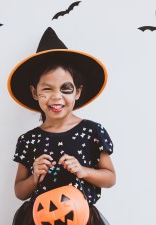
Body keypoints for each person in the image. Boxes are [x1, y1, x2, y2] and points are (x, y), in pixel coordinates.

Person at [8, 27, 116, 208]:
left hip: (82, 217)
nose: (56, 97)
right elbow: (19, 192)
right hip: (41, 216)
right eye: (47, 89)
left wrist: (83, 171)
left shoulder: (92, 131)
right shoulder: (28, 140)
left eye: (65, 89)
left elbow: (110, 178)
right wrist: (35, 176)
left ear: (78, 92)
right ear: (35, 93)